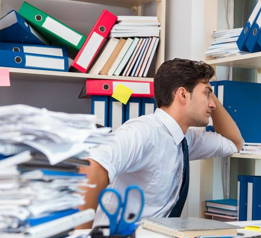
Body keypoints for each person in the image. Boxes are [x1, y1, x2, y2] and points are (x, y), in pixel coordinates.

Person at [80, 58, 243, 228]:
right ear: (182, 94)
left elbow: (235, 143)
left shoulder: (185, 139)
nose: (212, 104)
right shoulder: (143, 131)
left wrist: (206, 88)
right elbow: (92, 169)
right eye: (207, 94)